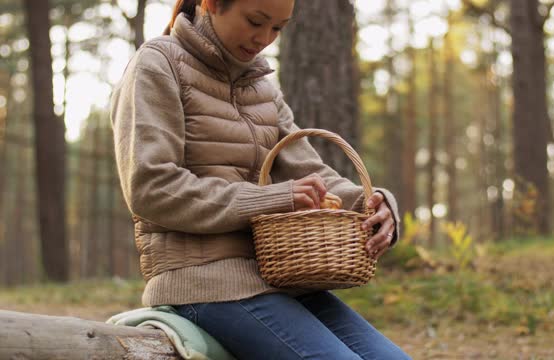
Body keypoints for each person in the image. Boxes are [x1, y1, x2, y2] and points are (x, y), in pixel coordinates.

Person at [110, 0, 411, 358]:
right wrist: (270, 198)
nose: (264, 38)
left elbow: (309, 174)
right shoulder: (156, 65)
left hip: (282, 279)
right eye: (255, 21)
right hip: (202, 283)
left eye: (278, 28)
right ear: (210, 4)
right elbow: (151, 188)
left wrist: (371, 202)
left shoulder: (262, 86)